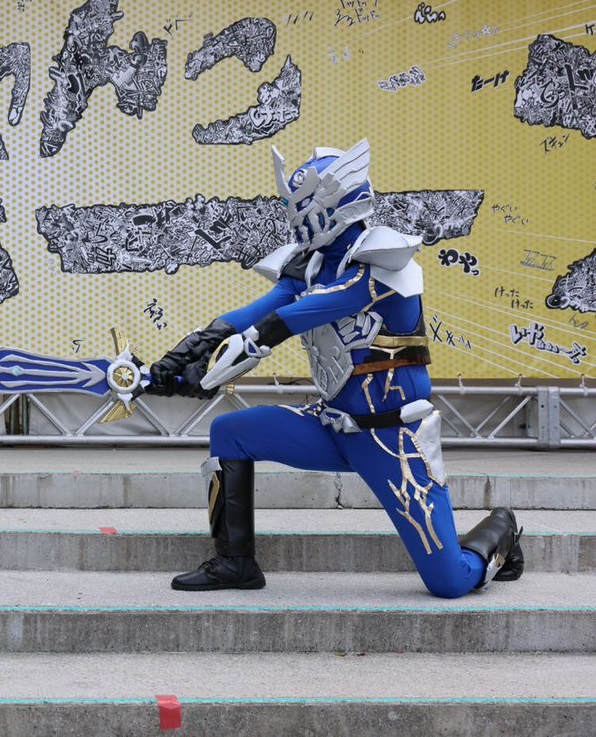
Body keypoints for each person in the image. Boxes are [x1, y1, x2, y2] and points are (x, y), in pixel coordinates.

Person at [147, 139, 523, 598]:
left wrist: (213, 371)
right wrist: (189, 350)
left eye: (305, 209)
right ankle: (235, 563)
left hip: (392, 440)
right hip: (329, 426)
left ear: (335, 203)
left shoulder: (383, 262)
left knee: (450, 581)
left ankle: (502, 528)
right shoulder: (311, 268)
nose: (298, 221)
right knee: (231, 432)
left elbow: (286, 320)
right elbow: (255, 313)